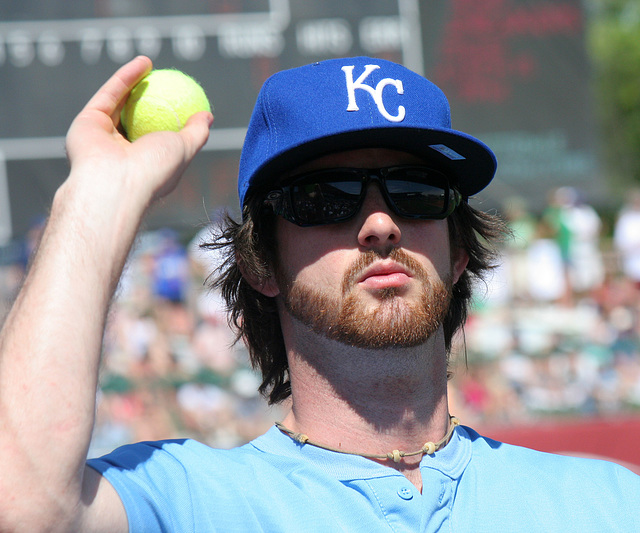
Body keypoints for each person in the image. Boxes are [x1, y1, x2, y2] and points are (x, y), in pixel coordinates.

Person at [0, 55, 638, 533]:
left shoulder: (610, 503)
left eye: (416, 191)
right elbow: (22, 504)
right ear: (260, 263)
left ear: (458, 251)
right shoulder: (191, 501)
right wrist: (98, 196)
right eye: (324, 197)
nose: (382, 223)